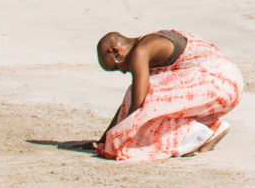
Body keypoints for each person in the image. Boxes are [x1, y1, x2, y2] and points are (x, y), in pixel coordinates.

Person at [93, 28, 244, 161]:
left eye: (117, 67)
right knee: (142, 104)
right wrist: (105, 139)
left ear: (115, 51)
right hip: (229, 84)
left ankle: (200, 133)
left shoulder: (140, 52)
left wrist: (123, 135)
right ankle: (207, 127)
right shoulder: (149, 43)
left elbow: (138, 102)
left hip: (218, 80)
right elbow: (128, 103)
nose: (124, 71)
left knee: (145, 101)